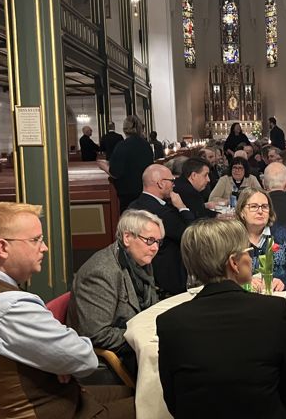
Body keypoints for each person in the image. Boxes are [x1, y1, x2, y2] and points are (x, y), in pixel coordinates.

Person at [0, 202, 134, 418]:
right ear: (2, 248)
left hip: (37, 397)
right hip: (45, 410)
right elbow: (84, 358)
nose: (44, 247)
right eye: (35, 240)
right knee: (163, 403)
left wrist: (57, 360)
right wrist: (59, 361)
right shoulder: (7, 306)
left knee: (138, 392)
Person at [156, 219, 286, 418]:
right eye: (248, 252)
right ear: (234, 263)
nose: (250, 259)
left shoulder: (169, 322)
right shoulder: (273, 310)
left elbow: (173, 400)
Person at [68, 209, 164, 377]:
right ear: (127, 238)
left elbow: (150, 307)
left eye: (158, 242)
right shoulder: (101, 272)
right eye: (149, 240)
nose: (155, 248)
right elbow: (96, 334)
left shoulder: (139, 261)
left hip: (136, 342)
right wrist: (144, 335)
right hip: (113, 356)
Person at [129, 164, 194, 296]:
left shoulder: (132, 206)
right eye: (172, 181)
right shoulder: (162, 212)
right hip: (168, 278)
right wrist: (182, 207)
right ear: (161, 184)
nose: (174, 185)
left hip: (137, 275)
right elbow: (193, 234)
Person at [236, 188, 286, 290]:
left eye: (265, 207)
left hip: (277, 297)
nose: (260, 211)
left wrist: (284, 281)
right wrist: (242, 280)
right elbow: (219, 273)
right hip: (243, 298)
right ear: (241, 211)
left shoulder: (282, 233)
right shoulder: (232, 237)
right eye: (254, 206)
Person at [99, 115, 154, 213]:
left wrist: (104, 167)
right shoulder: (146, 145)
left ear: (124, 129)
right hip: (145, 189)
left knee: (129, 223)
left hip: (128, 193)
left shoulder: (122, 145)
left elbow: (115, 173)